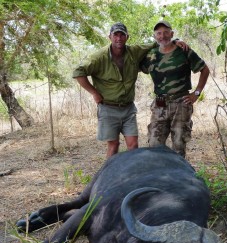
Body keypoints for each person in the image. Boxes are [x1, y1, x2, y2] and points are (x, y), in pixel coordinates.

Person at [73, 22, 187, 158]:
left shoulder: (134, 51)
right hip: (108, 108)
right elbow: (78, 72)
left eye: (122, 35)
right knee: (113, 145)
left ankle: (132, 176)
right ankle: (110, 176)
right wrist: (94, 93)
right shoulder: (99, 57)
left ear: (127, 37)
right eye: (116, 35)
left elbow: (158, 42)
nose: (119, 38)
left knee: (133, 145)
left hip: (128, 108)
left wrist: (176, 40)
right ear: (110, 37)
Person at [140, 20, 210, 158]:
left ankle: (178, 176)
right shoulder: (151, 54)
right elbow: (138, 66)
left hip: (181, 103)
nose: (163, 36)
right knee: (154, 144)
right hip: (160, 104)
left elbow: (205, 70)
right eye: (159, 33)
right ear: (155, 37)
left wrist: (196, 93)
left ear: (172, 33)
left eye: (166, 32)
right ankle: (159, 175)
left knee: (179, 144)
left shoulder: (184, 50)